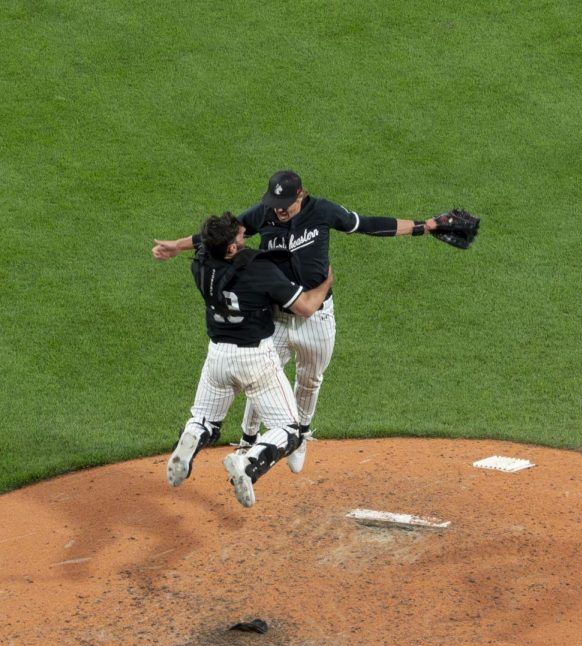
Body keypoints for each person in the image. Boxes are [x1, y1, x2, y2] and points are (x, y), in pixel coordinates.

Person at [152, 170, 442, 473]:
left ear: (300, 194)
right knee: (260, 381)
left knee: (311, 379)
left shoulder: (322, 211)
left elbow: (369, 225)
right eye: (275, 201)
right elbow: (220, 236)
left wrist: (425, 227)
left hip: (317, 319)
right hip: (278, 316)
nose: (278, 208)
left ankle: (300, 436)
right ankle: (248, 441)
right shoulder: (263, 213)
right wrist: (178, 244)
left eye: (285, 202)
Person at [166, 211, 334, 508]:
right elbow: (307, 307)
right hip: (255, 360)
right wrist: (325, 282)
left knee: (204, 420)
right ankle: (249, 463)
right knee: (290, 431)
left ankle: (191, 439)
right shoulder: (259, 272)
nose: (245, 237)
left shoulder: (201, 265)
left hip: (217, 356)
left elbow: (203, 243)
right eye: (240, 237)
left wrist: (176, 246)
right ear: (231, 249)